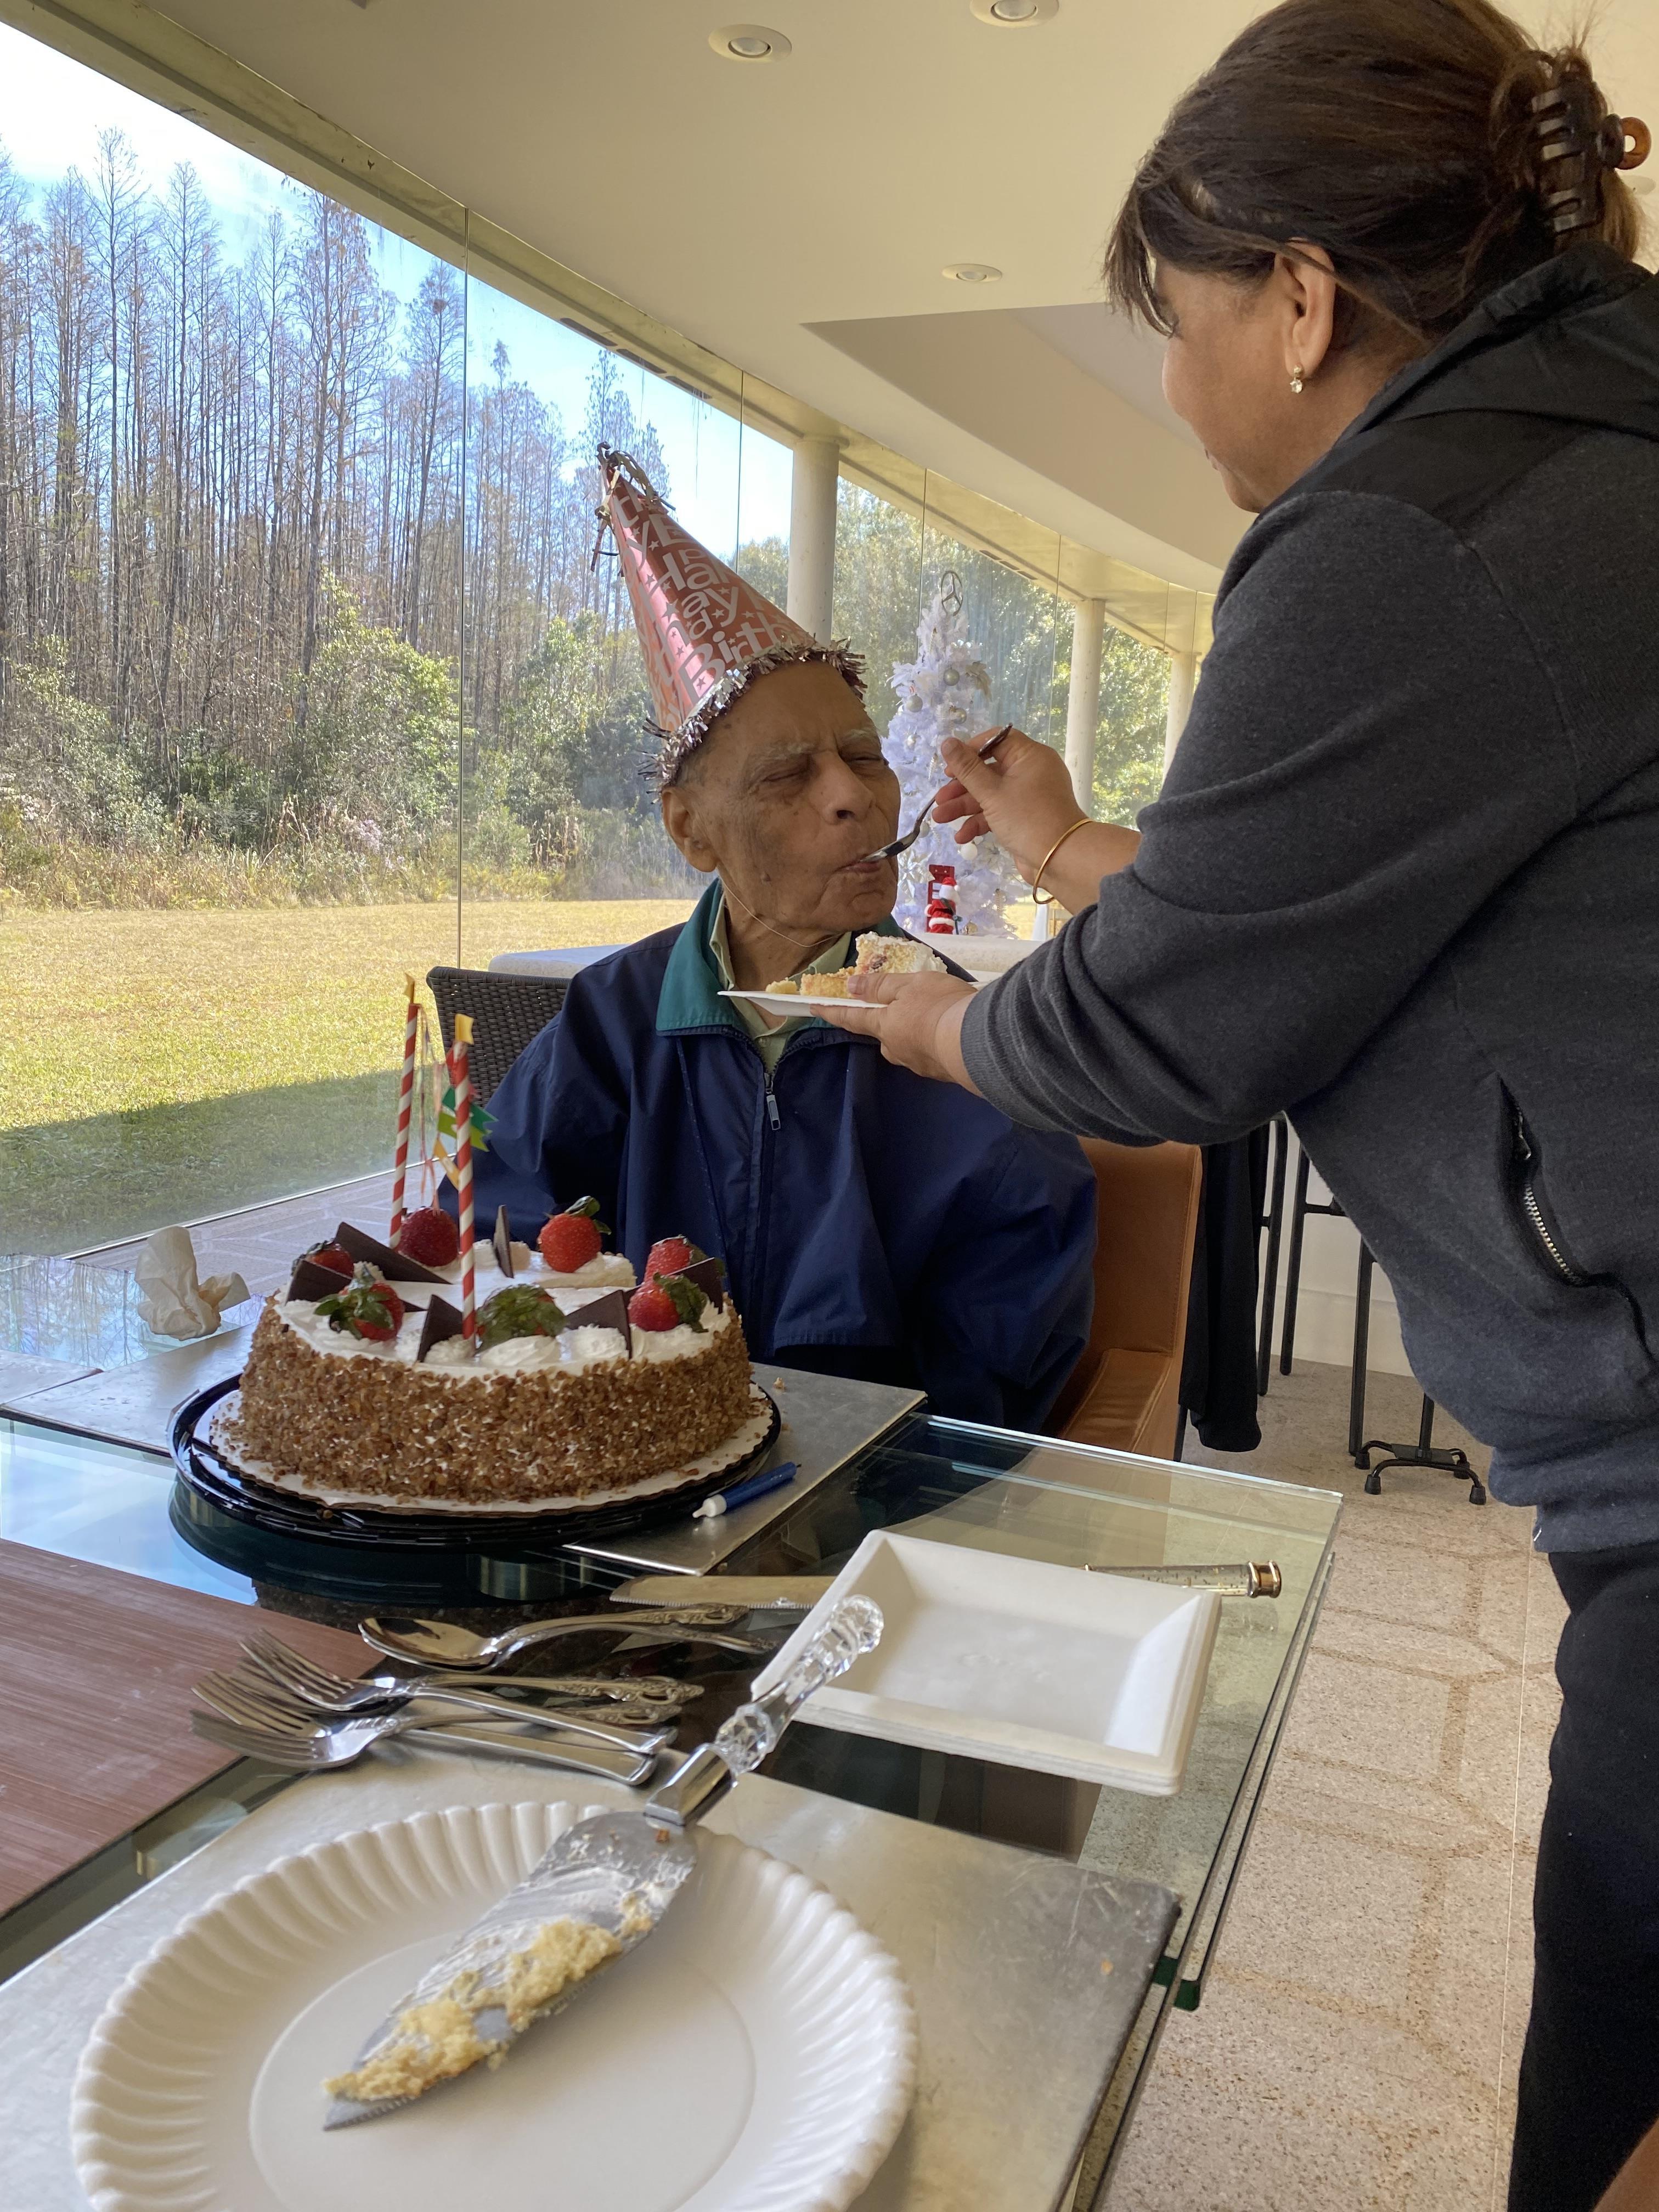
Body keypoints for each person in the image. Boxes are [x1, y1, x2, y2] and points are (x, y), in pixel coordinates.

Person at [820, 4, 1659, 2204]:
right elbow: (1342, 892)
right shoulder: (1593, 455)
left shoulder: (1412, 536)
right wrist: (1071, 852)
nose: (1172, 390)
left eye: (1173, 323)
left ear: (1298, 298)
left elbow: (1158, 1034)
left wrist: (930, 1018)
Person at [469, 446, 1096, 1430]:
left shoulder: (968, 1042)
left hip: (866, 1516)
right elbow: (503, 1249)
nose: (852, 795)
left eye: (860, 757)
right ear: (690, 830)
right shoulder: (614, 1024)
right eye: (786, 777)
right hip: (630, 1479)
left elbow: (1006, 1349)